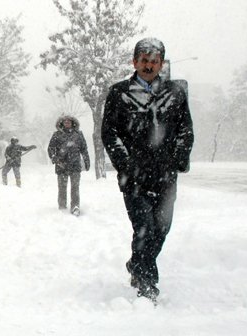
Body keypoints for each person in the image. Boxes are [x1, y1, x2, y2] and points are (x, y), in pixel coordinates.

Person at [101, 37, 194, 302]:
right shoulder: (119, 93)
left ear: (161, 63)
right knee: (144, 226)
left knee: (161, 230)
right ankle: (146, 283)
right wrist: (126, 165)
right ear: (135, 62)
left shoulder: (175, 92)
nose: (149, 66)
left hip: (165, 175)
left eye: (154, 61)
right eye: (144, 61)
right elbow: (110, 133)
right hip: (134, 177)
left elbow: (185, 130)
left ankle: (136, 263)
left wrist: (178, 159)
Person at [47, 116, 90, 215]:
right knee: (62, 187)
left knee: (75, 187)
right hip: (61, 165)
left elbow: (84, 149)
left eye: (68, 121)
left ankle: (75, 207)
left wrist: (87, 161)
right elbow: (51, 148)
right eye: (65, 121)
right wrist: (55, 158)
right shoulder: (56, 135)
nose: (67, 123)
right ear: (62, 123)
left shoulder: (78, 134)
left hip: (75, 165)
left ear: (72, 123)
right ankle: (62, 206)